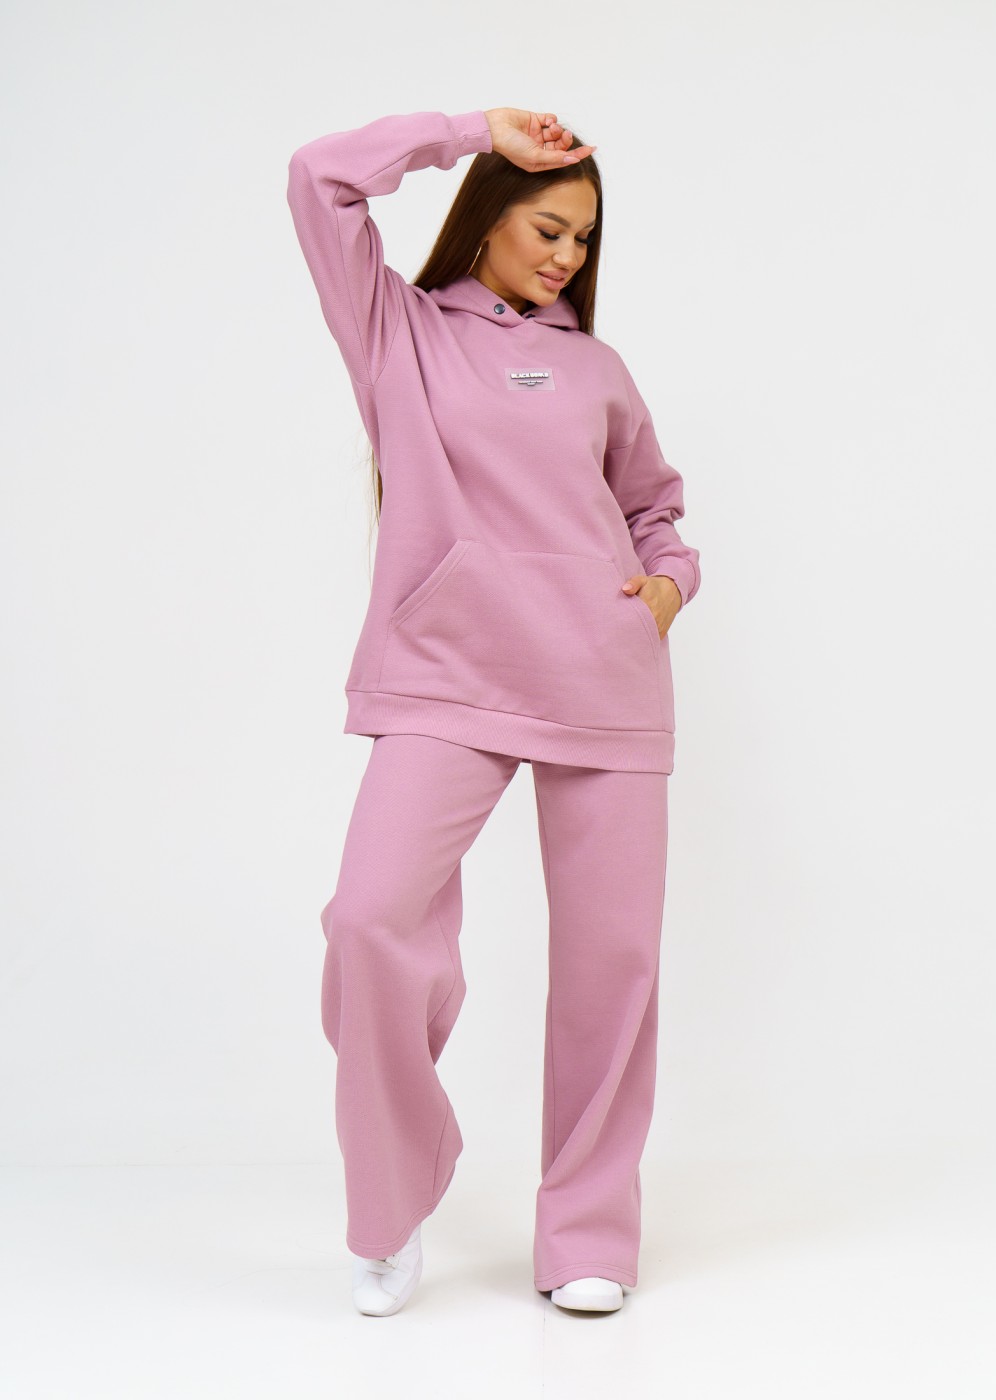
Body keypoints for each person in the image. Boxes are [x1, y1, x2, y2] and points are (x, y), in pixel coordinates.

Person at [286, 106, 701, 1316]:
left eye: (584, 237)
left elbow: (656, 508)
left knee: (612, 966)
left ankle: (588, 1232)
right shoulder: (398, 331)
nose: (568, 254)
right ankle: (392, 1193)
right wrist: (471, 129)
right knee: (369, 917)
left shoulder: (598, 370)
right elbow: (318, 179)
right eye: (547, 226)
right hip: (446, 673)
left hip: (601, 677)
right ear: (488, 215)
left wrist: (667, 585)